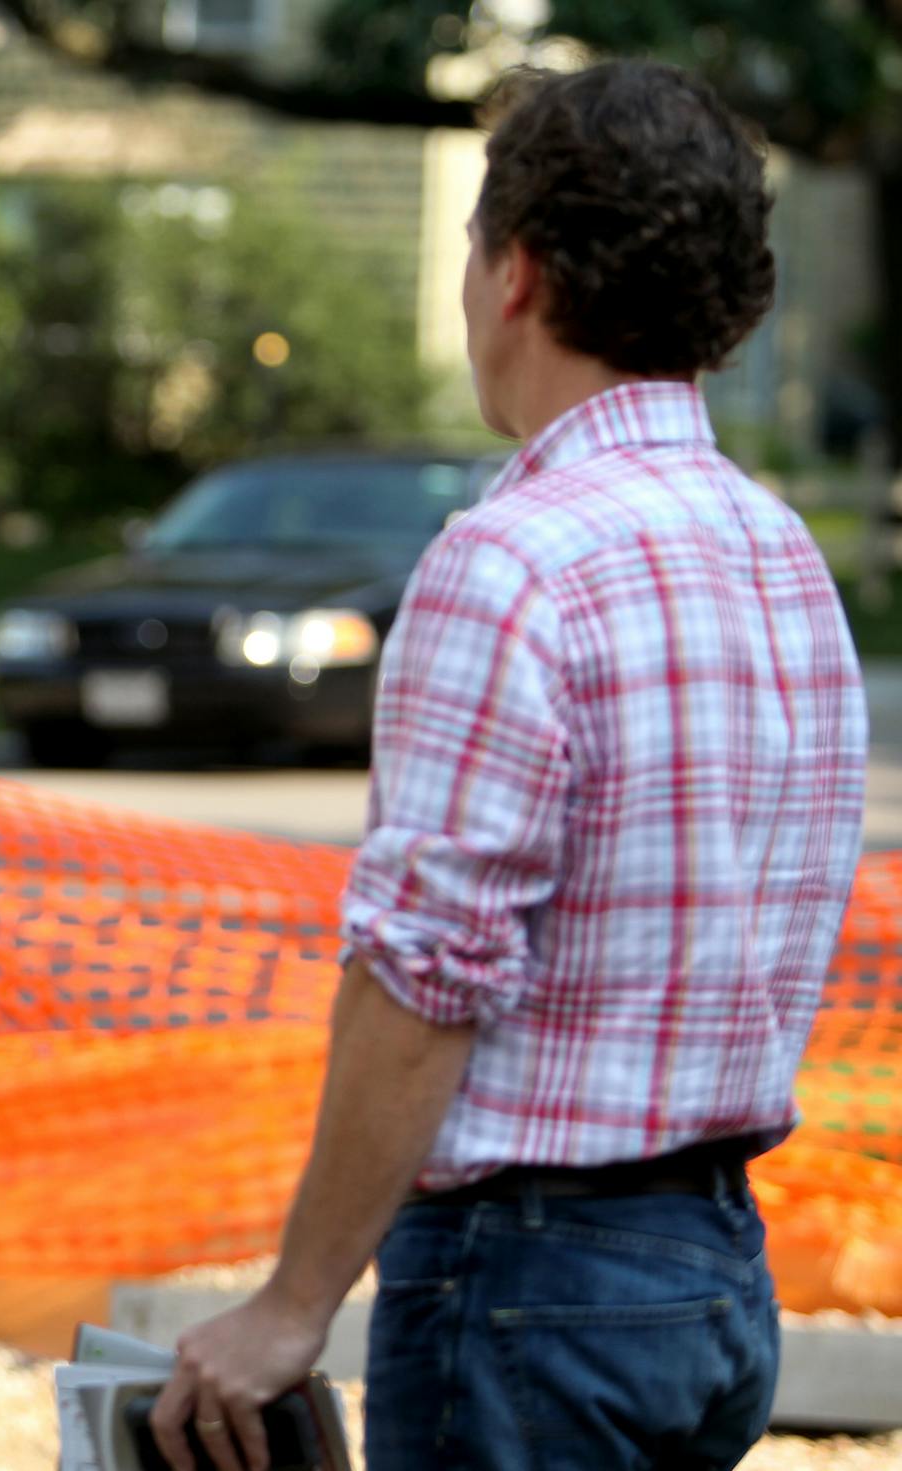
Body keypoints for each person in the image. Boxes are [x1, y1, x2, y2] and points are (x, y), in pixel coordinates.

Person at [149, 60, 866, 1471]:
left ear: (518, 272)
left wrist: (296, 1300)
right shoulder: (781, 551)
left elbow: (424, 977)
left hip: (527, 1278)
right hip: (717, 1273)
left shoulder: (510, 562)